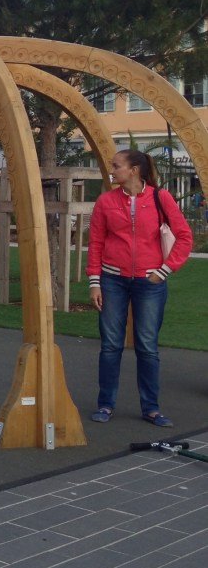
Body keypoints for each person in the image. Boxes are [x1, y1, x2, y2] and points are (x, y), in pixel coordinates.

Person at [87, 150, 192, 428]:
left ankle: (151, 408)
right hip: (112, 281)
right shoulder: (106, 201)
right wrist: (95, 282)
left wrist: (165, 269)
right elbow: (95, 242)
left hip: (150, 283)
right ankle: (105, 404)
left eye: (116, 165)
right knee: (110, 346)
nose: (112, 169)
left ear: (134, 170)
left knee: (147, 346)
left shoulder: (160, 198)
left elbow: (184, 236)